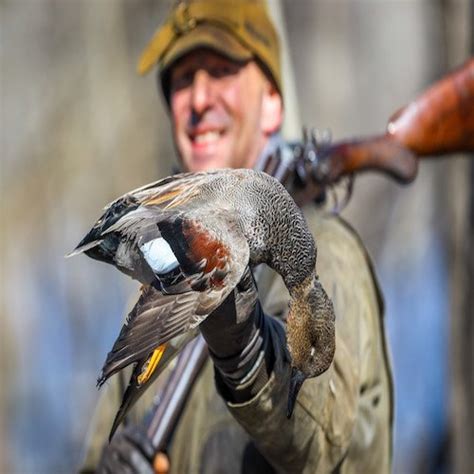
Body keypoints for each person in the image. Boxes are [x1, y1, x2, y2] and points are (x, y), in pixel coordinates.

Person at [79, 1, 393, 472]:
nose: (198, 100)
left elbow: (322, 439)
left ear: (272, 104)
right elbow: (105, 434)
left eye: (221, 70)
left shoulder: (329, 252)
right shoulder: (165, 273)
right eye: (182, 80)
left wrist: (246, 349)